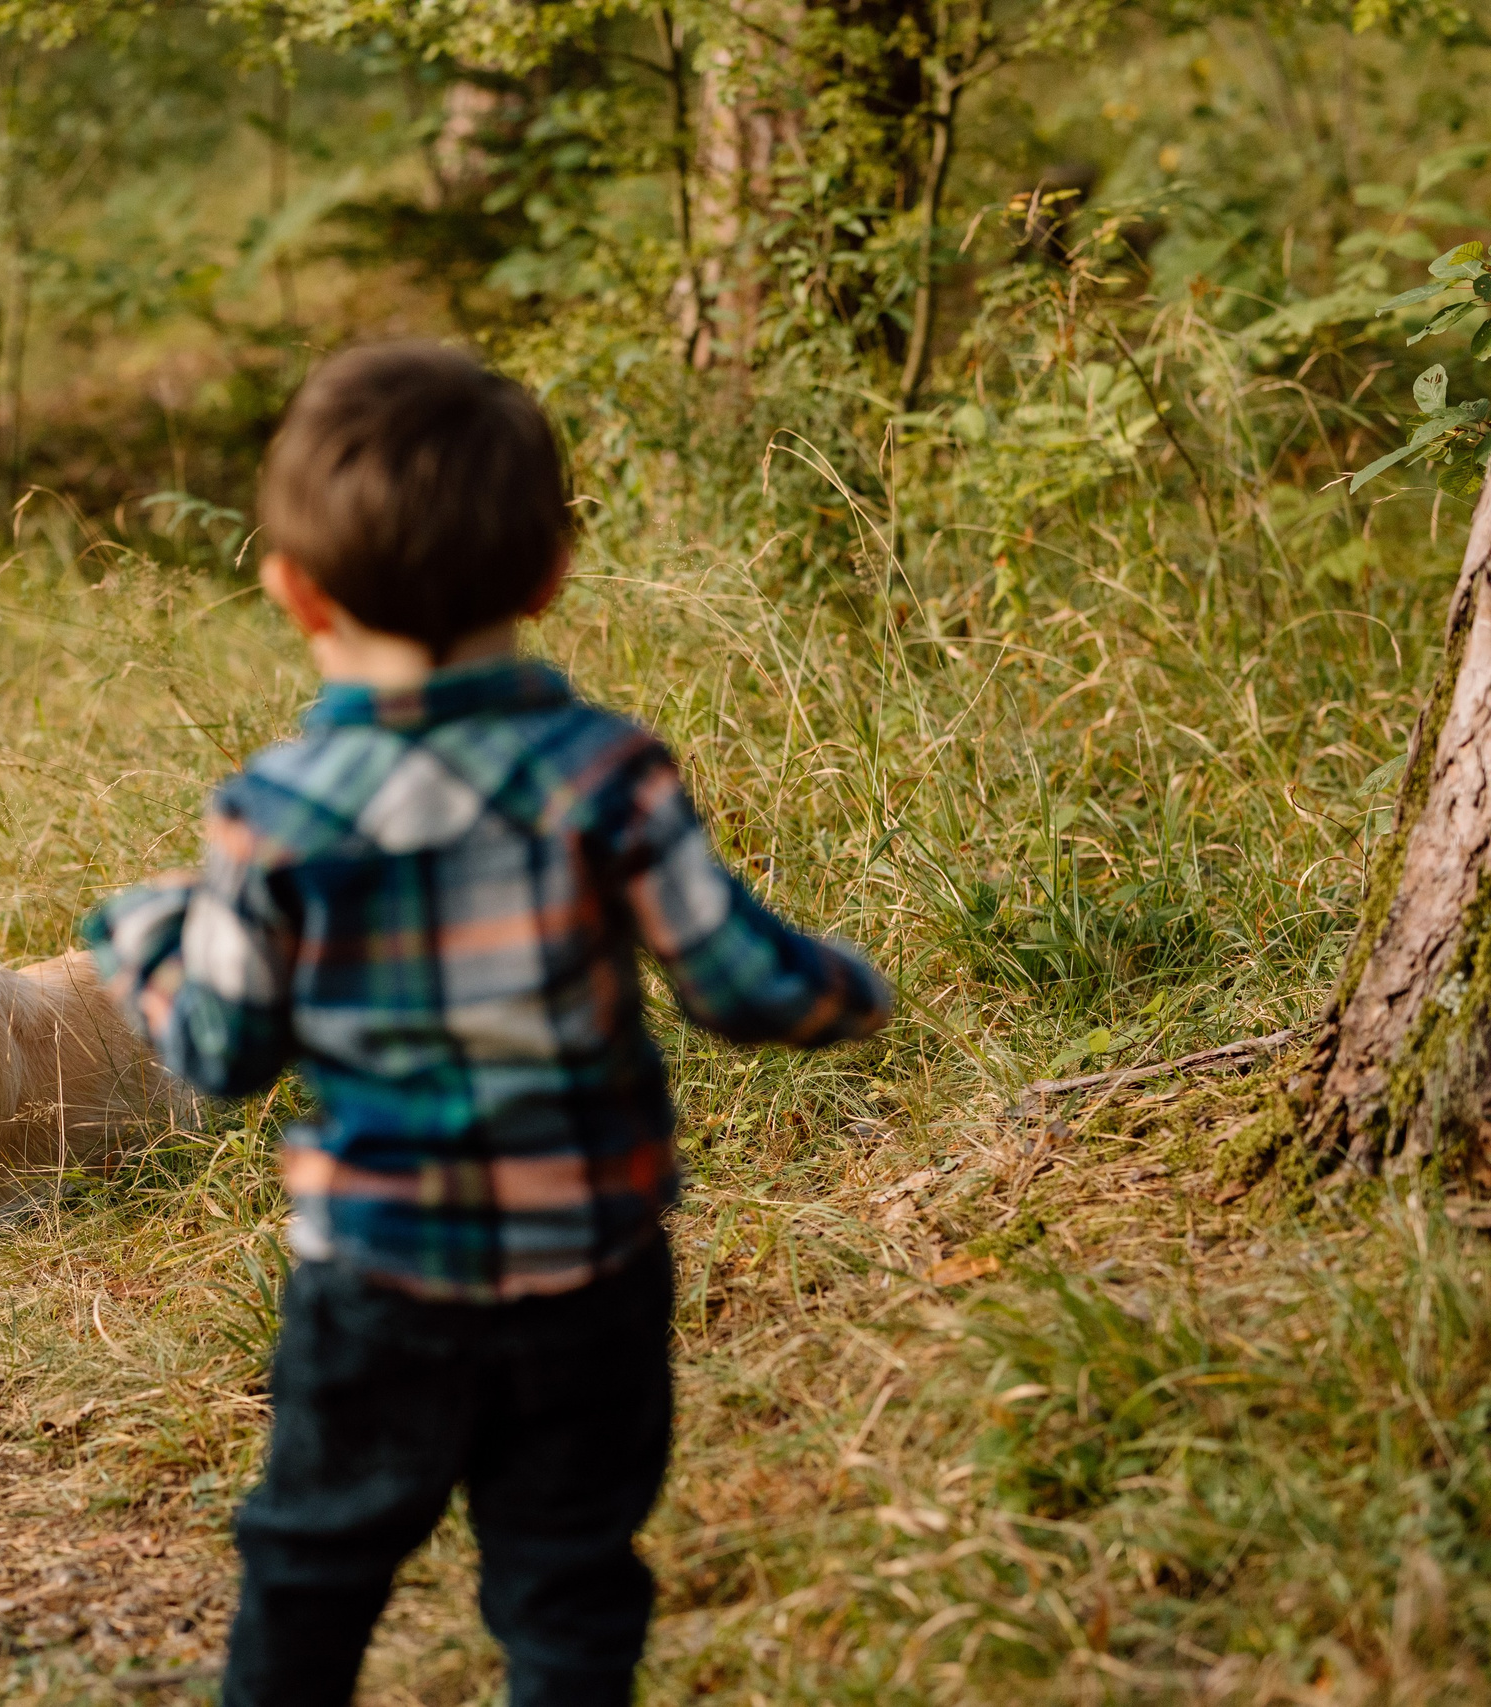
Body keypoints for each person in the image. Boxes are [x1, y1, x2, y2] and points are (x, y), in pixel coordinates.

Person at [81, 341, 893, 1707]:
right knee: (570, 1579)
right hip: (591, 1279)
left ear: (293, 590)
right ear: (549, 576)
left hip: (377, 1283)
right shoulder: (607, 776)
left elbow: (218, 1053)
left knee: (311, 1564)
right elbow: (741, 985)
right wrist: (853, 987)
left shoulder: (274, 815)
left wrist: (142, 938)